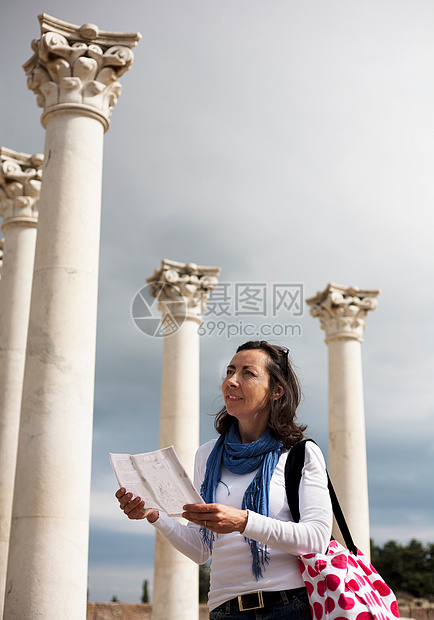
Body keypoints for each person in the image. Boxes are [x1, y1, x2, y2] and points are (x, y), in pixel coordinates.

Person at [116, 340, 332, 619]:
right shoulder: (207, 455)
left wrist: (242, 522)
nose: (231, 381)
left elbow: (316, 538)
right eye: (230, 371)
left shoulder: (300, 453)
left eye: (247, 373)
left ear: (277, 391)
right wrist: (156, 515)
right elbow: (202, 548)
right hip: (224, 609)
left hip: (288, 607)